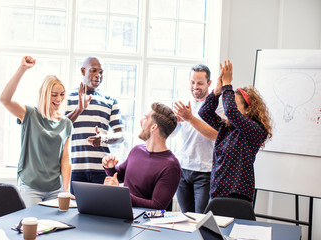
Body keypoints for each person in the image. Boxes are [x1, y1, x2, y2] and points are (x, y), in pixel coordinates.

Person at [0, 56, 73, 207]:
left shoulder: (66, 123)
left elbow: (65, 159)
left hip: (55, 189)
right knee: (33, 229)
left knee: (54, 228)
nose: (59, 99)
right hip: (31, 188)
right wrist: (22, 69)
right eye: (54, 94)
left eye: (62, 94)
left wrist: (66, 190)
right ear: (44, 94)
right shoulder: (30, 114)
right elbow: (5, 99)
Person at [199, 60, 273, 203]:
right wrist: (217, 91)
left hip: (237, 194)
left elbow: (231, 111)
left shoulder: (256, 130)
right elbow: (204, 112)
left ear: (248, 109)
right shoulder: (226, 128)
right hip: (217, 191)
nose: (228, 105)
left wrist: (227, 84)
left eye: (234, 102)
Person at [102, 102, 181, 210]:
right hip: (122, 212)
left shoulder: (171, 166)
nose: (140, 121)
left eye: (145, 118)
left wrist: (121, 194)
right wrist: (110, 167)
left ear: (154, 127)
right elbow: (119, 176)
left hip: (144, 222)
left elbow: (157, 205)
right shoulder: (136, 150)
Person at [66, 57, 124, 192]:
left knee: (100, 210)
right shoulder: (68, 99)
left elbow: (121, 135)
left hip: (102, 170)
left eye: (101, 72)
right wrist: (78, 109)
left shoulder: (110, 101)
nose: (98, 75)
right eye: (93, 71)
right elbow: (59, 129)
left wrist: (104, 138)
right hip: (75, 170)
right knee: (75, 210)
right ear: (83, 71)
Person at [173, 64, 223, 213]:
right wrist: (175, 121)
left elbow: (216, 135)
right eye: (192, 82)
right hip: (182, 170)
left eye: (200, 83)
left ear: (209, 83)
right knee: (185, 219)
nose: (195, 86)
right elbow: (171, 134)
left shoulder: (217, 105)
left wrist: (189, 118)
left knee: (201, 220)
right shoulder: (183, 103)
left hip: (205, 172)